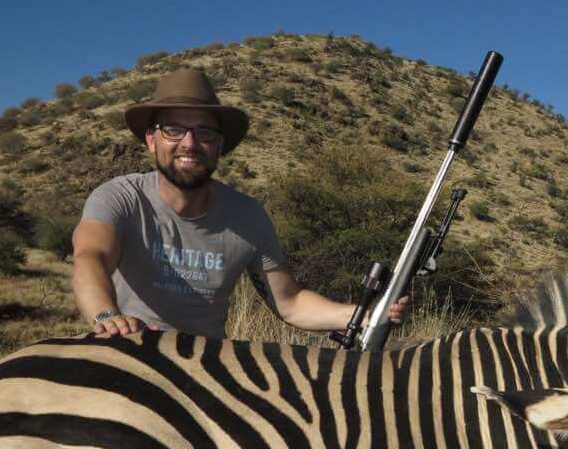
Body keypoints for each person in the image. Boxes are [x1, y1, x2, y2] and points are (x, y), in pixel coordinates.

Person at [71, 69, 408, 339]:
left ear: (220, 145)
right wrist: (108, 317)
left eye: (204, 133)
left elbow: (289, 304)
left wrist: (363, 315)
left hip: (206, 371)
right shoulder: (118, 196)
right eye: (173, 130)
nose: (189, 143)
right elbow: (91, 257)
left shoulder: (248, 216)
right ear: (150, 140)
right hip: (129, 349)